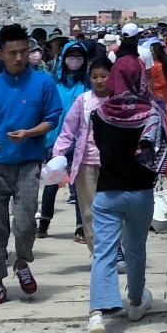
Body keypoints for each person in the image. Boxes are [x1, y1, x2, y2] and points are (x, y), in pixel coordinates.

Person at [83, 58, 167, 333]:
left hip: (107, 193)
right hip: (140, 193)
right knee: (136, 250)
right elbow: (159, 152)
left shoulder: (99, 114)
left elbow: (101, 148)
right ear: (140, 80)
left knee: (104, 253)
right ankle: (135, 302)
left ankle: (97, 313)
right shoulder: (152, 114)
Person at [0, 24, 60, 307]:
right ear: (3, 53)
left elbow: (53, 117)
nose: (19, 58)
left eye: (24, 51)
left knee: (24, 224)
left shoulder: (43, 82)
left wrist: (30, 133)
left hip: (28, 164)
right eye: (13, 53)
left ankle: (22, 261)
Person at [49, 57, 114, 251]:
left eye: (104, 76)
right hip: (86, 163)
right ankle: (97, 253)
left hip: (113, 164)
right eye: (95, 76)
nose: (99, 80)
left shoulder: (118, 100)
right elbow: (68, 130)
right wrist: (58, 157)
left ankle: (115, 249)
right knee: (89, 211)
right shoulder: (83, 100)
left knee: (113, 209)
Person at [40, 42, 93, 238]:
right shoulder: (53, 83)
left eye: (80, 57)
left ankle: (81, 226)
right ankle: (44, 223)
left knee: (78, 186)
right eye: (72, 56)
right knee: (51, 182)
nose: (75, 60)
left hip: (81, 142)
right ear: (63, 58)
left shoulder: (88, 84)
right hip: (54, 140)